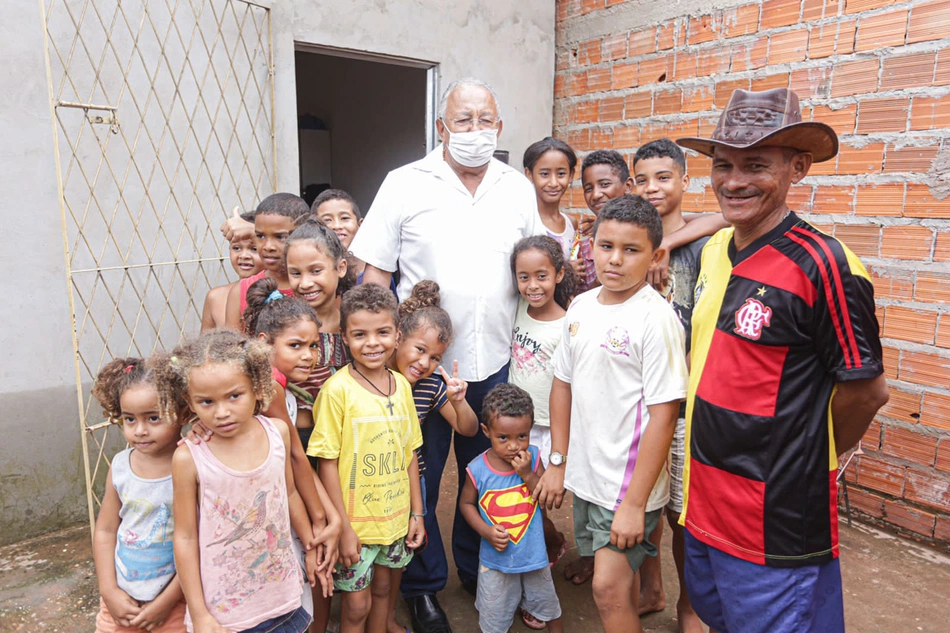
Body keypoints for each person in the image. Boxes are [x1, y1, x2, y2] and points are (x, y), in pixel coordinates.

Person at [674, 87, 889, 633]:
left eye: (755, 165)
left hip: (773, 518)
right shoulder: (718, 249)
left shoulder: (827, 265)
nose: (734, 180)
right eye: (723, 165)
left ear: (799, 167)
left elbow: (866, 391)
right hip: (704, 503)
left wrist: (807, 457)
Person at [350, 77, 542, 633]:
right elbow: (377, 274)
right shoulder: (405, 184)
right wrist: (379, 359)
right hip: (423, 370)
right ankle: (423, 586)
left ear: (500, 128)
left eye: (486, 121)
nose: (475, 132)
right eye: (463, 120)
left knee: (490, 476)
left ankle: (481, 566)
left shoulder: (516, 188)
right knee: (425, 482)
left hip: (499, 363)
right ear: (442, 127)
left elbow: (536, 265)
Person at [535, 195, 689, 633]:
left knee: (606, 588)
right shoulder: (581, 308)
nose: (615, 260)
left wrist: (635, 504)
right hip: (587, 476)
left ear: (655, 255)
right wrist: (558, 463)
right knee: (616, 588)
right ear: (590, 245)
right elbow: (562, 383)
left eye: (631, 250)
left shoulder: (655, 320)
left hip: (625, 487)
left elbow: (664, 415)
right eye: (606, 246)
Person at [163, 330, 321, 633]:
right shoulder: (189, 458)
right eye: (206, 402)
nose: (222, 412)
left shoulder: (278, 433)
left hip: (284, 595)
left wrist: (311, 547)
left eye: (234, 396)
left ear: (257, 387)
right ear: (189, 401)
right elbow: (184, 538)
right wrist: (199, 615)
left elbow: (289, 494)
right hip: (226, 615)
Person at [308, 284, 425, 633]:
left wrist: (416, 513)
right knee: (355, 607)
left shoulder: (402, 386)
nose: (372, 343)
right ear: (345, 337)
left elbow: (409, 454)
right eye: (360, 334)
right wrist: (341, 526)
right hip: (355, 526)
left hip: (394, 521)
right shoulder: (337, 391)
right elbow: (326, 462)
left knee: (385, 590)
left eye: (382, 332)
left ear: (397, 334)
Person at [631, 139, 708, 632]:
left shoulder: (708, 243)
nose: (653, 187)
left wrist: (671, 242)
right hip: (637, 400)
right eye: (642, 179)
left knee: (683, 514)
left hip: (684, 405)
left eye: (664, 177)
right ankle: (651, 588)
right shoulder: (631, 238)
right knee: (649, 506)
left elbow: (723, 218)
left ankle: (690, 606)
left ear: (684, 180)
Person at [243, 278, 344, 633]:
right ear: (263, 344)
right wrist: (323, 520)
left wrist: (330, 518)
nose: (308, 355)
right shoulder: (269, 384)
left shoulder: (276, 381)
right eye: (296, 345)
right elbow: (296, 458)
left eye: (314, 346)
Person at [387, 281, 479, 633]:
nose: (425, 363)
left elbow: (468, 429)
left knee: (418, 528)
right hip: (372, 477)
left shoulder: (431, 386)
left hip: (415, 477)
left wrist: (458, 401)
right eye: (419, 350)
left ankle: (423, 591)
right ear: (398, 338)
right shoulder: (373, 376)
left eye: (435, 357)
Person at [508, 236, 575, 628]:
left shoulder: (568, 325)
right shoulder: (517, 309)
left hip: (550, 431)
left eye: (542, 276)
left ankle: (540, 591)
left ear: (559, 274)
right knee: (520, 505)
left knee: (535, 502)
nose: (532, 285)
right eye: (524, 277)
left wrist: (558, 457)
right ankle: (549, 544)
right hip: (519, 428)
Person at [91, 357, 186, 633]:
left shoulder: (192, 466)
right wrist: (108, 590)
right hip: (120, 602)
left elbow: (197, 542)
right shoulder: (121, 466)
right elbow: (106, 531)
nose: (140, 430)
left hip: (175, 604)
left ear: (182, 413)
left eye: (153, 418)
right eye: (129, 419)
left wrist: (167, 601)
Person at [459, 384, 564, 633]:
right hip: (496, 560)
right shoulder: (477, 469)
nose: (514, 446)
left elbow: (545, 499)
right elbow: (465, 504)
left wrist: (527, 474)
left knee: (548, 605)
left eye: (522, 436)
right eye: (503, 438)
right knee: (494, 614)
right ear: (486, 431)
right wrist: (485, 531)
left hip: (534, 556)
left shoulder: (534, 458)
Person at [283, 220, 354, 441]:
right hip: (296, 438)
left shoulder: (354, 328)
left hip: (346, 436)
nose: (305, 283)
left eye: (315, 271)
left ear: (340, 268)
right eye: (295, 273)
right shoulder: (280, 328)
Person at [224, 193, 312, 331]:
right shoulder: (241, 291)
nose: (268, 246)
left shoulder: (314, 287)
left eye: (281, 237)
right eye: (260, 236)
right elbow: (231, 348)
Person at [201, 210, 262, 331]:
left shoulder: (279, 293)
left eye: (254, 249)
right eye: (237, 248)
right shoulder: (215, 297)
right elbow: (204, 346)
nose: (244, 255)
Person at [523, 138, 578, 259]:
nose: (553, 183)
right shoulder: (524, 221)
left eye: (561, 174)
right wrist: (568, 269)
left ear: (571, 175)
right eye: (544, 174)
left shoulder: (571, 223)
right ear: (529, 174)